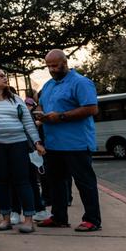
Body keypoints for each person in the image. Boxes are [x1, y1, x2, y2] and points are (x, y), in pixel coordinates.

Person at [35, 49, 102, 232]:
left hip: (77, 143)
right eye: (48, 66)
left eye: (55, 65)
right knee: (55, 182)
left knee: (84, 182)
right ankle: (59, 217)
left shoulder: (81, 83)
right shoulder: (48, 85)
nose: (51, 69)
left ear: (65, 63)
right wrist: (41, 113)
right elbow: (41, 103)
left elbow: (91, 108)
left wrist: (61, 117)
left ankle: (92, 219)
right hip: (54, 144)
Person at [0, 68, 45, 234]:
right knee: (1, 182)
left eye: (5, 75)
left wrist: (37, 142)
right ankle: (6, 219)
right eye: (1, 76)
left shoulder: (16, 99)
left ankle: (28, 220)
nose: (5, 78)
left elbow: (28, 123)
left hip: (18, 144)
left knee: (22, 181)